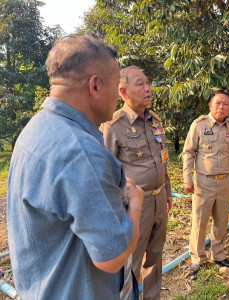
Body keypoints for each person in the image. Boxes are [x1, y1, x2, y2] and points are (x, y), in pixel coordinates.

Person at [7, 34, 144, 299]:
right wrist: (136, 204)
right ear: (95, 86)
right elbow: (112, 257)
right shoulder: (82, 153)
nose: (118, 97)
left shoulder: (36, 128)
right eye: (116, 86)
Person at [100, 66, 172, 300]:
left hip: (159, 198)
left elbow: (162, 160)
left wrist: (167, 193)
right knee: (131, 259)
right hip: (134, 206)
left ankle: (152, 297)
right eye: (140, 84)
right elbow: (105, 173)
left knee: (155, 255)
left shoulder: (155, 120)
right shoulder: (114, 125)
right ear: (123, 91)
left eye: (148, 83)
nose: (148, 88)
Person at [182, 90, 229, 275]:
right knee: (200, 221)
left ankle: (218, 255)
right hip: (204, 181)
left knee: (221, 221)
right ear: (210, 105)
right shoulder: (199, 125)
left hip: (225, 181)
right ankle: (197, 258)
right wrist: (187, 178)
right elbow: (188, 152)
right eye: (217, 103)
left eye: (226, 104)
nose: (221, 107)